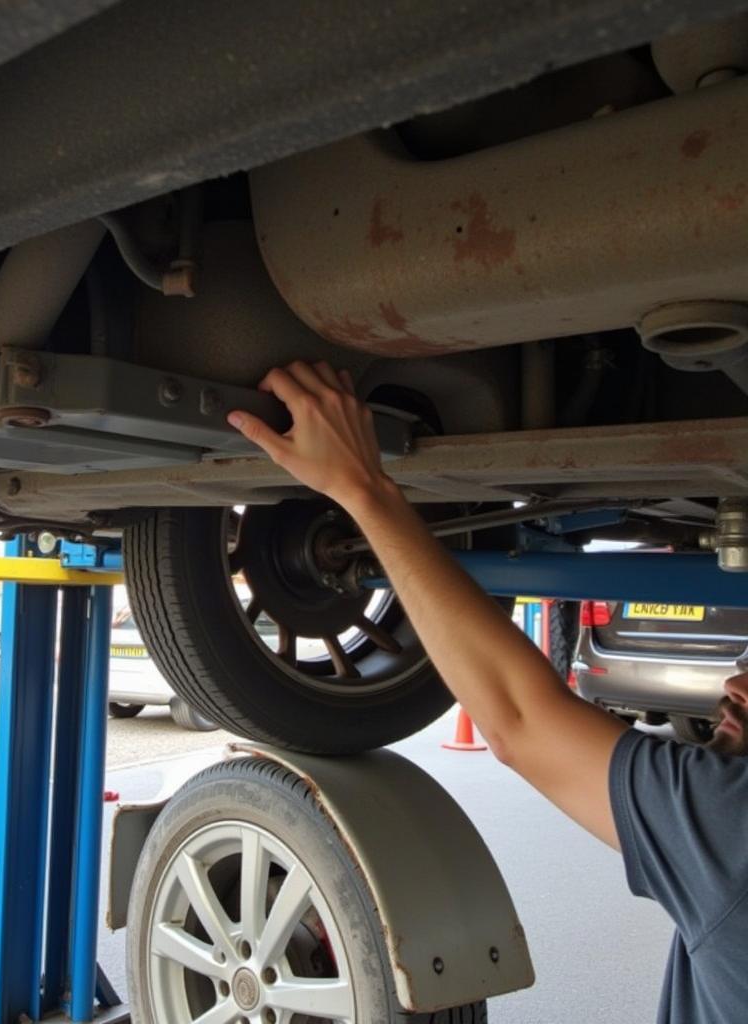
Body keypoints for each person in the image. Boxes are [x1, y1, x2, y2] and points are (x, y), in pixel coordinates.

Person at [226, 360, 748, 1024]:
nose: (734, 684)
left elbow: (520, 716)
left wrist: (363, 486)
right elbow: (517, 715)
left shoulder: (737, 841)